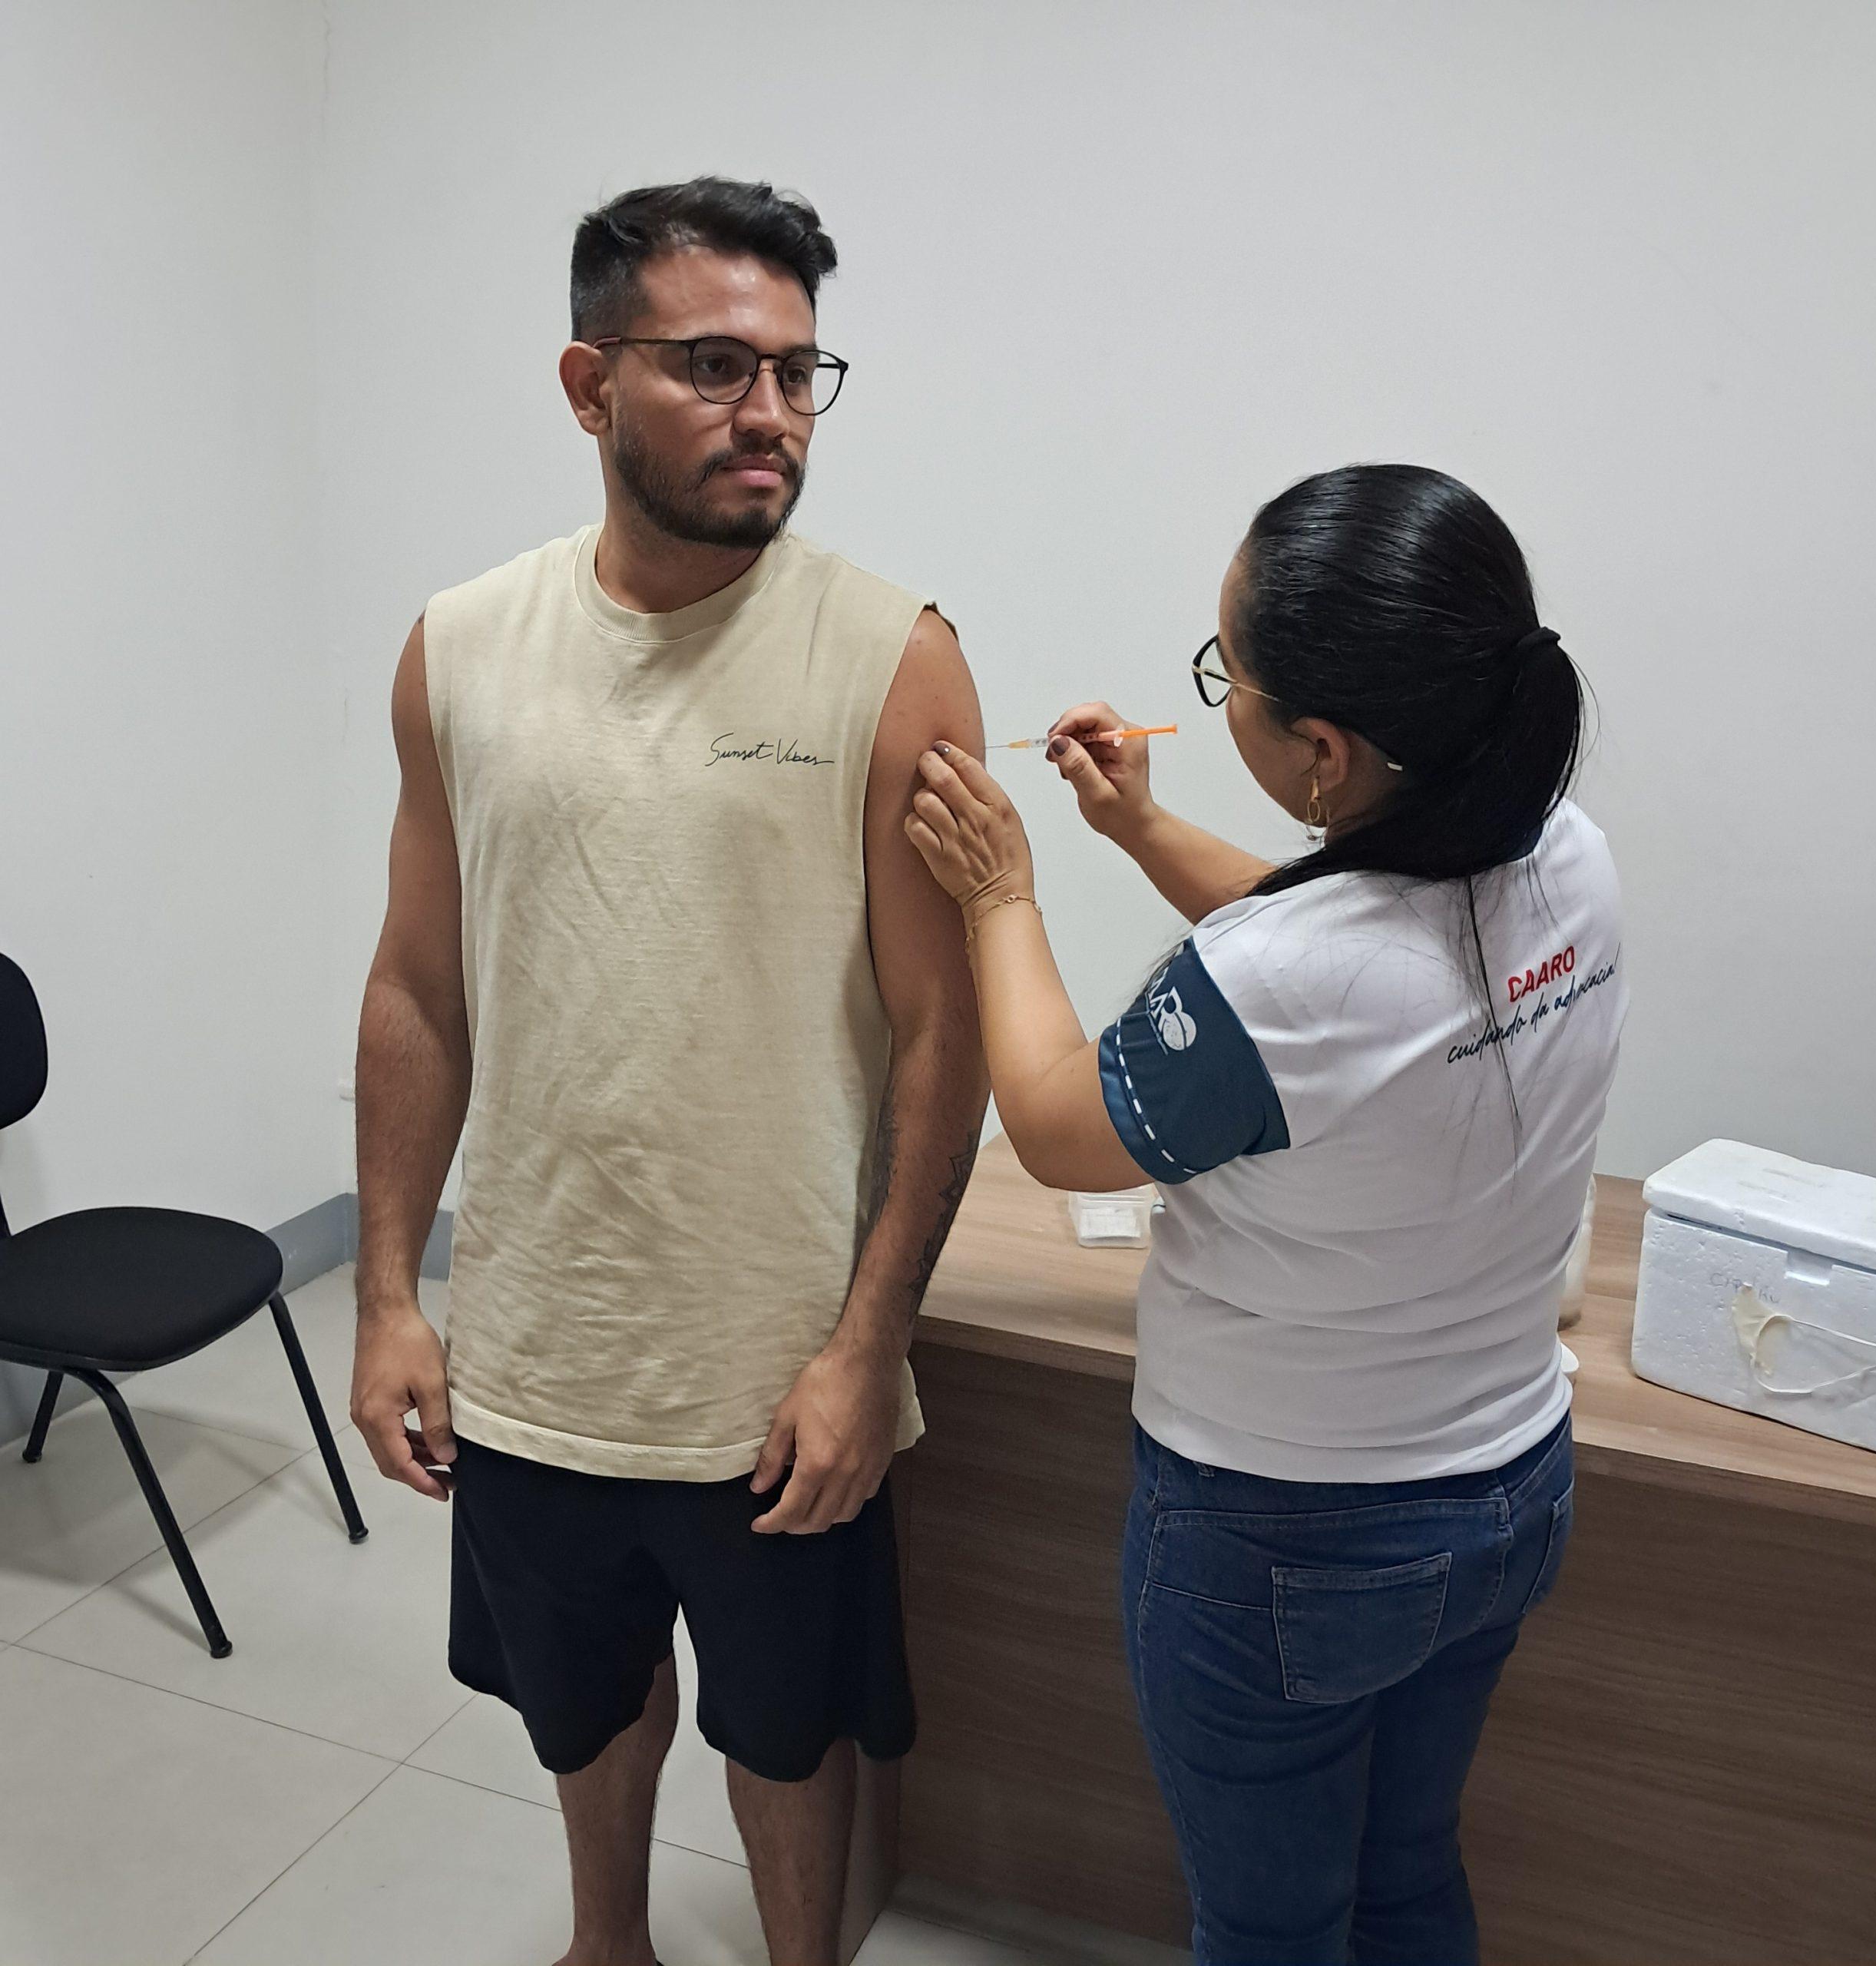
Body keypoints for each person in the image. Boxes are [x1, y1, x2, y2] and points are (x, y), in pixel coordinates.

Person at [349, 177, 988, 1966]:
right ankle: (604, 1942)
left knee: (787, 1728)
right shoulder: (458, 648)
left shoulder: (895, 658)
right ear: (588, 383)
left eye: (796, 371)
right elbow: (417, 985)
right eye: (715, 366)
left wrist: (865, 1346)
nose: (770, 411)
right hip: (540, 1346)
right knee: (583, 1697)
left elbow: (941, 1037)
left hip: (775, 1366)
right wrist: (388, 1291)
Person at [905, 464, 1626, 1966]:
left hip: (1290, 1533)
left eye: (1223, 671)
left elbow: (1056, 1125)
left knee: (1269, 1924)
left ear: (1321, 749)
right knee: (1404, 1873)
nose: (1214, 693)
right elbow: (1335, 960)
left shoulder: (1288, 978)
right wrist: (1139, 828)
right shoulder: (1559, 853)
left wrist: (998, 895)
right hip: (1507, 1491)